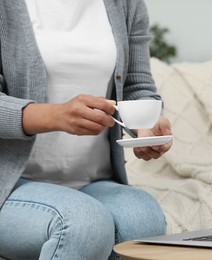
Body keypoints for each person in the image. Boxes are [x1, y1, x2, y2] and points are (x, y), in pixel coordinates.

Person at [0, 0, 173, 259]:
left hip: (93, 180)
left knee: (143, 220)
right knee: (84, 224)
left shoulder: (126, 4)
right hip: (10, 185)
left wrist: (148, 124)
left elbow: (138, 86)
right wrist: (55, 115)